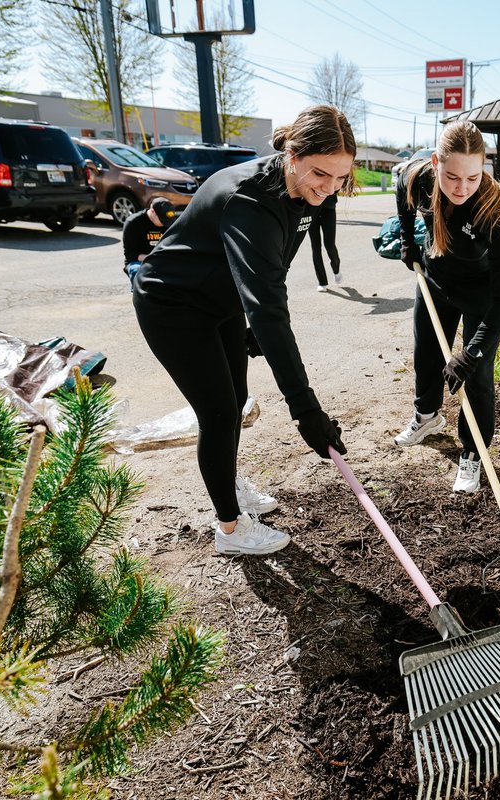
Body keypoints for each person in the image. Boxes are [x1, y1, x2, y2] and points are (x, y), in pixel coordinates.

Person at [133, 105, 353, 556]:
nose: (330, 189)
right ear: (292, 155)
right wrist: (305, 409)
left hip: (222, 303)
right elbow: (271, 308)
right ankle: (230, 531)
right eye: (320, 174)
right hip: (173, 306)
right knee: (219, 412)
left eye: (341, 178)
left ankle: (227, 484)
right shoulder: (250, 201)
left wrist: (249, 323)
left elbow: (266, 275)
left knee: (235, 400)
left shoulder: (300, 193)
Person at [394, 120, 500, 493]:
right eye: (451, 177)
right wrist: (406, 239)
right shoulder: (419, 179)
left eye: (472, 177)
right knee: (426, 354)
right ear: (435, 163)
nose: (461, 187)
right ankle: (427, 416)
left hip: (483, 294)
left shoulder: (495, 214)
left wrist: (472, 352)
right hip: (435, 279)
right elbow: (400, 190)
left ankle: (473, 451)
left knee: (476, 375)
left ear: (484, 170)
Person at [122, 197, 178, 291]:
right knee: (137, 271)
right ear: (152, 212)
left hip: (164, 259)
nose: (165, 224)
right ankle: (141, 300)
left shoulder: (170, 222)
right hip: (140, 261)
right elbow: (131, 255)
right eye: (162, 219)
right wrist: (156, 258)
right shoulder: (133, 223)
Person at [308, 190, 341, 291]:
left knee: (329, 245)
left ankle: (336, 270)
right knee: (315, 247)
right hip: (311, 209)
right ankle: (322, 282)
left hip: (328, 208)